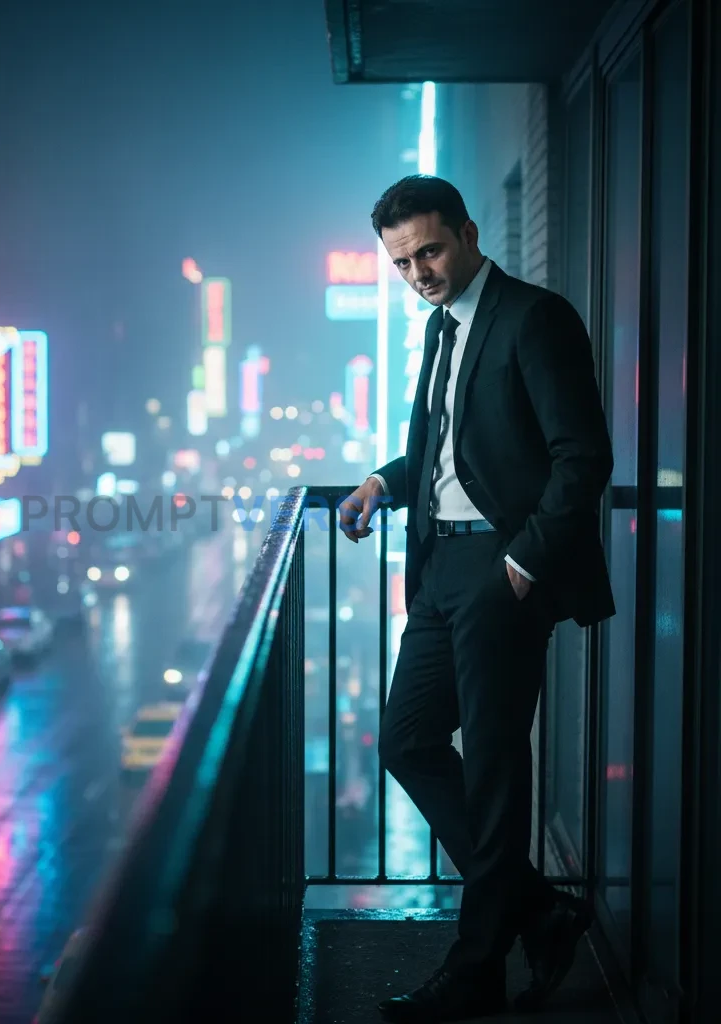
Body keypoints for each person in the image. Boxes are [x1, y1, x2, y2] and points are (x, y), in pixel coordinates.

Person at [338, 175, 614, 1021]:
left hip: (503, 569)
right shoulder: (438, 330)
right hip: (439, 568)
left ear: (467, 231)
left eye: (429, 250)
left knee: (494, 768)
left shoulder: (535, 317)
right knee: (408, 738)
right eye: (401, 261)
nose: (417, 270)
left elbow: (583, 457)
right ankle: (538, 910)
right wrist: (385, 481)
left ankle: (475, 967)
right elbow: (442, 445)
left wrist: (524, 563)